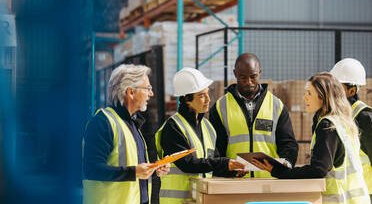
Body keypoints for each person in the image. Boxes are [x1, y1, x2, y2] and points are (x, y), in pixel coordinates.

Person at [252, 72, 370, 204]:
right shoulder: (344, 122)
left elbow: (318, 169)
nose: (304, 98)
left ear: (323, 96)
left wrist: (278, 171)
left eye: (309, 93)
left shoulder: (327, 125)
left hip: (339, 200)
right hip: (357, 199)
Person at [83, 64, 170, 204]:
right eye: (148, 88)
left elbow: (131, 170)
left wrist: (153, 169)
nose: (151, 94)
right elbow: (92, 169)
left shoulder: (132, 124)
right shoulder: (102, 122)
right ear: (130, 92)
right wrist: (134, 172)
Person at [155, 67, 245, 204]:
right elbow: (187, 164)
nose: (208, 100)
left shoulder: (208, 127)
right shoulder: (173, 127)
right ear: (186, 99)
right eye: (202, 95)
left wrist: (231, 171)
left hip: (201, 200)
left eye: (208, 94)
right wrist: (223, 163)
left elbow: (211, 164)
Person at [209, 52, 298, 178]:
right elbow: (216, 148)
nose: (248, 82)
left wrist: (286, 165)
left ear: (260, 72)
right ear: (235, 74)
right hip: (233, 182)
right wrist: (227, 170)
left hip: (269, 181)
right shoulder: (220, 107)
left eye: (253, 76)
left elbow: (288, 144)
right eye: (243, 77)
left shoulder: (276, 105)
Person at [331, 58, 372, 201]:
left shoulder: (364, 117)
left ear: (351, 90)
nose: (332, 90)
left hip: (366, 194)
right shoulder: (336, 117)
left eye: (337, 86)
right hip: (345, 195)